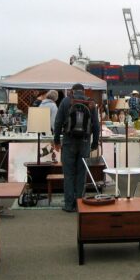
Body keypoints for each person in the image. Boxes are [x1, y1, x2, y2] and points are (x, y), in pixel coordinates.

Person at [53, 84, 99, 212]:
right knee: (81, 173)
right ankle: (80, 204)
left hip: (68, 142)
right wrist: (94, 142)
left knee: (68, 174)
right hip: (84, 142)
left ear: (72, 91)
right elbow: (96, 125)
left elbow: (57, 122)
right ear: (84, 92)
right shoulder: (90, 103)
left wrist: (56, 140)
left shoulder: (66, 101)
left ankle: (69, 205)